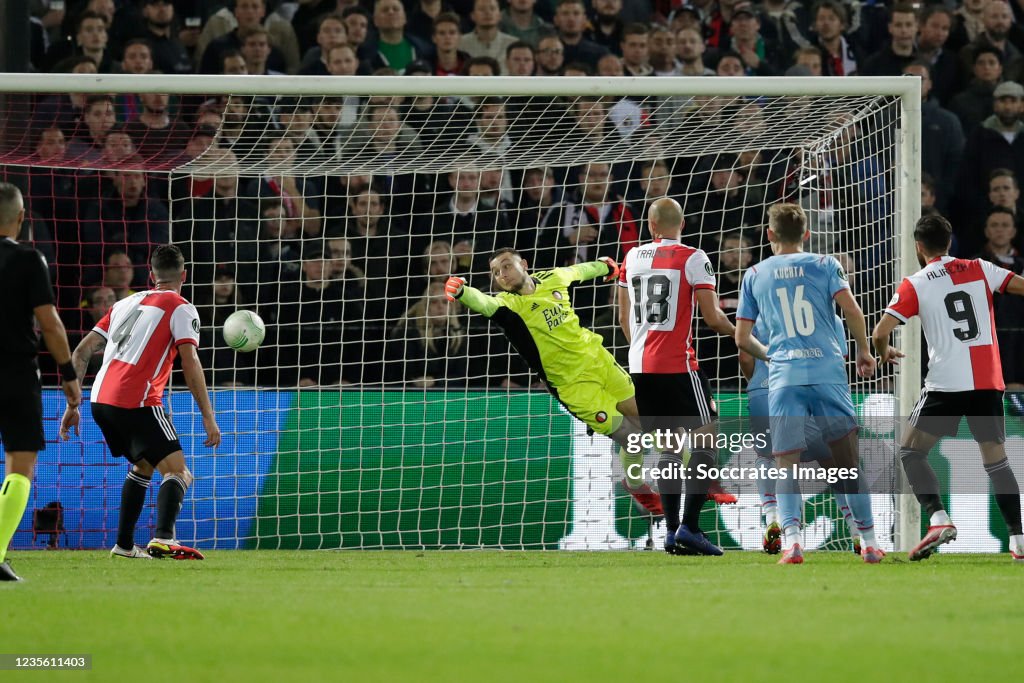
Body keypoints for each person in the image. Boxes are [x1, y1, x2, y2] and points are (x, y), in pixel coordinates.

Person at [444, 249, 664, 517]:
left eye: (505, 266)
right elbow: (484, 304)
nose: (501, 274)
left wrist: (607, 266)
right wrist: (463, 292)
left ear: (523, 264)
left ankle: (695, 478)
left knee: (649, 422)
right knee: (632, 440)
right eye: (495, 272)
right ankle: (636, 485)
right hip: (574, 388)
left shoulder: (552, 278)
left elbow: (579, 272)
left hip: (600, 363)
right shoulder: (508, 305)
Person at [735, 202, 882, 565]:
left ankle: (793, 542)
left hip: (784, 380)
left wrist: (771, 356)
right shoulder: (825, 265)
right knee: (847, 464)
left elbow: (742, 338)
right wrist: (864, 350)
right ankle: (869, 542)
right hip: (827, 373)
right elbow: (851, 310)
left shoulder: (754, 274)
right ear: (807, 234)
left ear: (769, 235)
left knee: (785, 464)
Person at [872, 214, 1024, 561]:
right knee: (997, 463)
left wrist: (884, 353)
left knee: (911, 452)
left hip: (946, 384)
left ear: (918, 247)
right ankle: (1019, 542)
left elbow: (881, 332)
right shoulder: (981, 267)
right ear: (949, 241)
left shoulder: (916, 282)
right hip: (987, 381)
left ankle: (939, 519)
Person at [60, 245, 221, 560]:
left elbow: (80, 351)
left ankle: (123, 545)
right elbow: (190, 362)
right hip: (138, 399)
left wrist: (72, 405)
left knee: (144, 465)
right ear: (184, 275)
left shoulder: (124, 303)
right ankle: (164, 538)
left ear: (151, 275)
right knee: (179, 472)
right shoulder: (181, 306)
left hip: (99, 400)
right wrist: (207, 415)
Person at [617, 198, 748, 556]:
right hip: (679, 366)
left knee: (669, 451)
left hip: (641, 367)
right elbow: (713, 317)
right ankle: (689, 527)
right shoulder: (694, 257)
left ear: (650, 225)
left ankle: (672, 532)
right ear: (683, 223)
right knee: (705, 444)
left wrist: (645, 347)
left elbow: (624, 318)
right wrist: (746, 335)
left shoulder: (631, 258)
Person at [0, 183, 81, 581]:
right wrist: (68, 374)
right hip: (15, 371)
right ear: (20, 218)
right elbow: (49, 323)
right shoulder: (30, 260)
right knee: (20, 464)